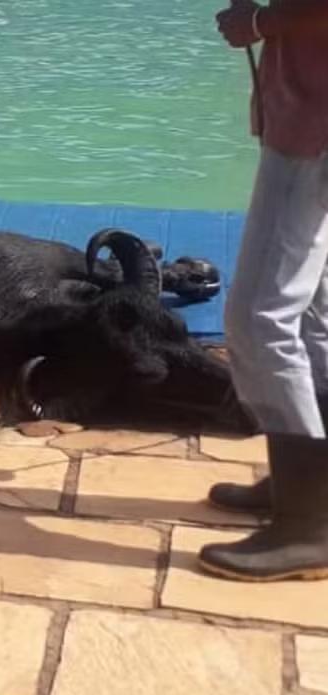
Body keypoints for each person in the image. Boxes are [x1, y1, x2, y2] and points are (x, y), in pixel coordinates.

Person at [200, 0, 328, 581]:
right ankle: (307, 488)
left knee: (260, 318)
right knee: (312, 317)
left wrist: (260, 23)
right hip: (307, 108)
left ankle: (309, 527)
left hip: (316, 126)